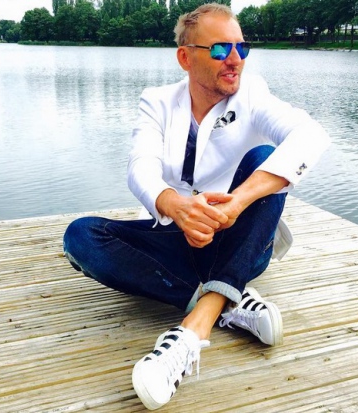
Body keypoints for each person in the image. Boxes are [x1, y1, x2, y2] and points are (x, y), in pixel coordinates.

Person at [63, 3, 330, 410]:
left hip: (240, 239)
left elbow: (311, 135)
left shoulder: (253, 94)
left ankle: (194, 328)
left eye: (242, 48)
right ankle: (227, 300)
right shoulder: (157, 101)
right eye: (221, 49)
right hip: (176, 234)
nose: (235, 59)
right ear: (186, 57)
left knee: (265, 158)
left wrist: (237, 202)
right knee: (81, 236)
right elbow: (140, 166)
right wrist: (175, 205)